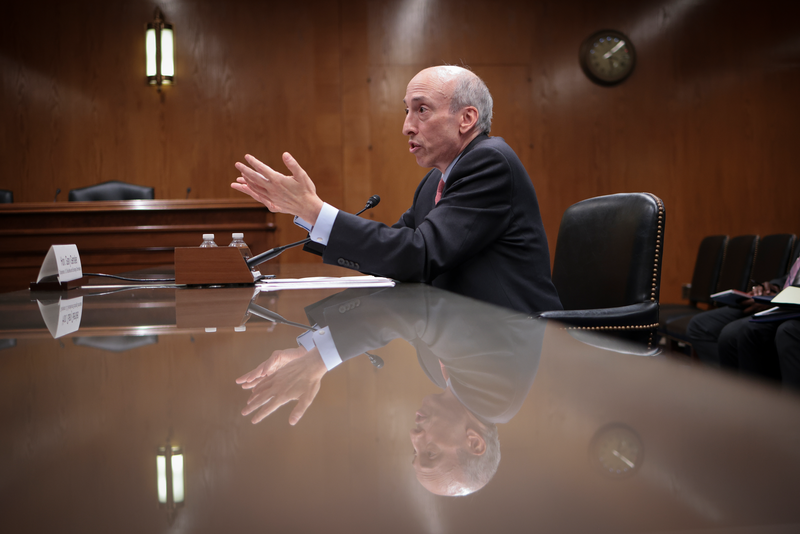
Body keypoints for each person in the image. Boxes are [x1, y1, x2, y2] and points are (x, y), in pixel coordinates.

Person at [232, 65, 562, 315]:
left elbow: (417, 254)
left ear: (467, 119)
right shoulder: (435, 180)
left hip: (517, 339)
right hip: (466, 335)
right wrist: (308, 214)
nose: (406, 126)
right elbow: (394, 250)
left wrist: (314, 211)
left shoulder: (490, 163)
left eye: (422, 109)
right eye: (406, 110)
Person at [236, 285, 545, 495]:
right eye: (431, 452)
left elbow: (398, 300)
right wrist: (321, 359)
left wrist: (311, 347)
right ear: (475, 442)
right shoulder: (498, 397)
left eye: (415, 452)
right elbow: (414, 308)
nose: (414, 437)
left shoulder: (441, 379)